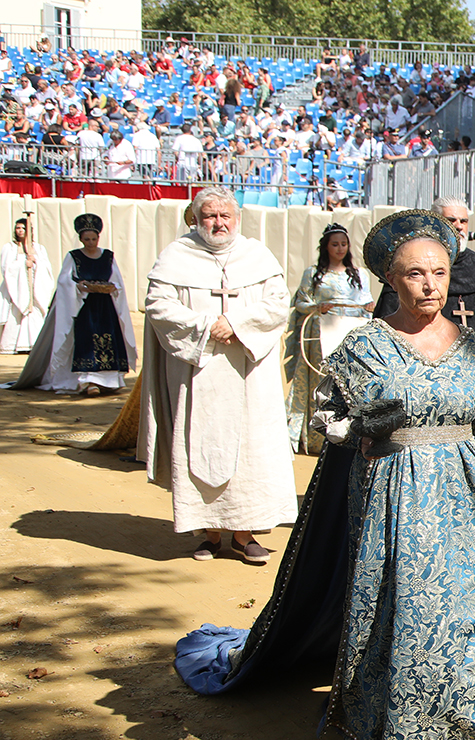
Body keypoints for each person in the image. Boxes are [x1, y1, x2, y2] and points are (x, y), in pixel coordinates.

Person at [173, 210, 475, 740]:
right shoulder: (365, 346)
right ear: (390, 279)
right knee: (407, 613)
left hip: (467, 499)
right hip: (396, 495)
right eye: (415, 274)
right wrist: (356, 428)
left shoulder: (473, 348)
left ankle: (456, 737)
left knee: (460, 616)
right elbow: (331, 423)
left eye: (440, 273)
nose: (431, 285)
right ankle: (392, 739)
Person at [138, 187, 297, 563]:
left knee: (250, 449)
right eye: (210, 216)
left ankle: (245, 535)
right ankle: (209, 532)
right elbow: (158, 306)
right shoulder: (176, 256)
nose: (218, 223)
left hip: (249, 373)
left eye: (225, 216)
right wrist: (209, 326)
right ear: (195, 219)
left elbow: (277, 304)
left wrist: (237, 323)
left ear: (236, 218)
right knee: (199, 446)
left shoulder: (256, 255)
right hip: (198, 369)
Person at [373, 197, 475, 383]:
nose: (459, 226)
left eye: (464, 221)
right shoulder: (405, 270)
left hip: (472, 372)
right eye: (451, 220)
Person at [7, 213, 137, 394]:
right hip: (84, 307)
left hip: (105, 307)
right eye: (87, 239)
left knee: (108, 341)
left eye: (93, 239)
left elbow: (117, 281)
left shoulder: (108, 256)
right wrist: (79, 286)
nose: (91, 242)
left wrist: (112, 288)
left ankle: (109, 381)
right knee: (86, 342)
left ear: (98, 237)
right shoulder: (74, 256)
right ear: (81, 239)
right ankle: (88, 382)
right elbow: (64, 281)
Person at [284, 223, 375, 455]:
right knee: (323, 381)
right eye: (335, 244)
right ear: (326, 247)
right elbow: (301, 304)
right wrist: (317, 307)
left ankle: (351, 432)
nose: (340, 248)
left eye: (343, 244)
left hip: (352, 335)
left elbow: (367, 304)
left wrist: (369, 307)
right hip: (322, 336)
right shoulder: (313, 273)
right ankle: (316, 438)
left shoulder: (359, 274)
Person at [1, 218, 56, 354]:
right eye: (18, 228)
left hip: (34, 287)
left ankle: (34, 344)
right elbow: (6, 268)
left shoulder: (38, 248)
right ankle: (14, 345)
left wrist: (35, 261)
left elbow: (46, 267)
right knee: (16, 313)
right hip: (17, 289)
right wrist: (23, 264)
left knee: (35, 312)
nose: (20, 230)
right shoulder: (10, 247)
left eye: (23, 228)